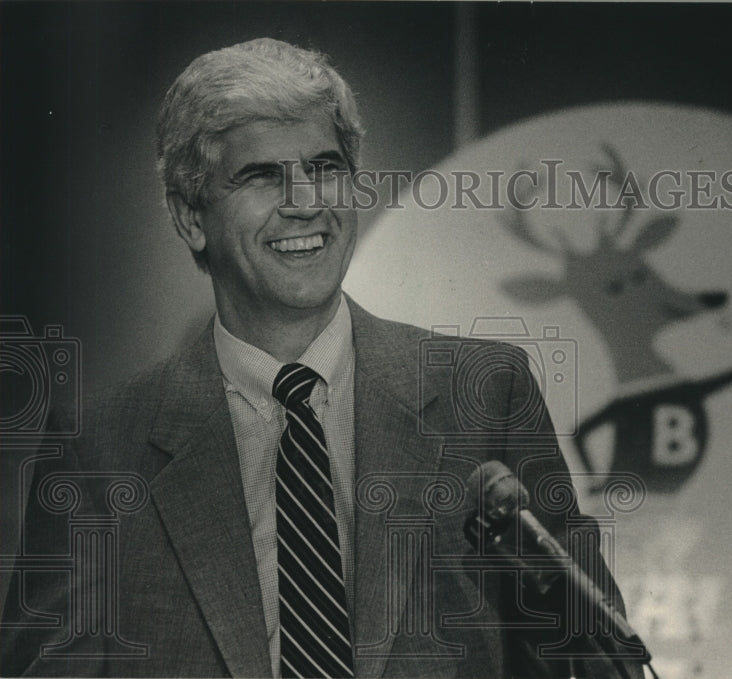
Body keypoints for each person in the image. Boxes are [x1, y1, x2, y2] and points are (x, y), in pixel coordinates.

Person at [0, 38, 642, 678]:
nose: (306, 201)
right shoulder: (102, 449)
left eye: (325, 167)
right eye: (260, 175)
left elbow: (592, 656)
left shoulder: (484, 392)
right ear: (190, 216)